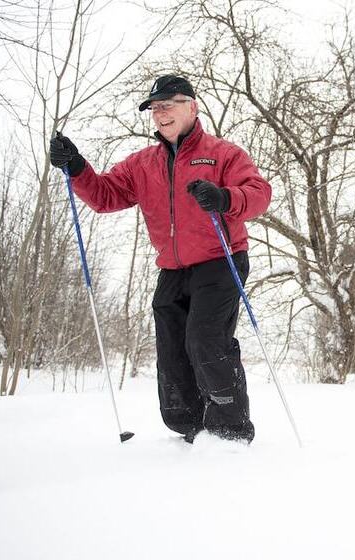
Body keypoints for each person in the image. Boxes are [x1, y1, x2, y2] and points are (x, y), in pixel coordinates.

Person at [49, 75, 271, 444]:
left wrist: (224, 198)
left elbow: (259, 193)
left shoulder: (223, 153)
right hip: (172, 268)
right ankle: (190, 428)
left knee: (204, 337)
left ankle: (229, 432)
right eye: (154, 108)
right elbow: (104, 195)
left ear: (192, 107)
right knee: (172, 348)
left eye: (168, 105)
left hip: (220, 259)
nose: (160, 113)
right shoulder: (143, 163)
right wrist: (76, 166)